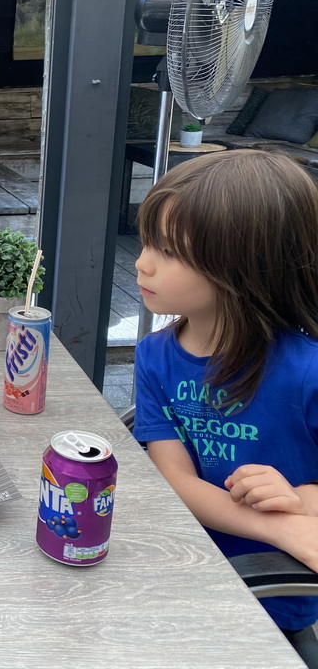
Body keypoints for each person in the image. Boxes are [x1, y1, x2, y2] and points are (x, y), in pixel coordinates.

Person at [132, 149, 318, 657]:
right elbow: (173, 480)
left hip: (273, 598)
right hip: (172, 576)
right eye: (148, 240)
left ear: (243, 265)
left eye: (168, 250)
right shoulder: (154, 357)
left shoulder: (308, 371)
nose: (141, 261)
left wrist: (302, 498)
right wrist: (285, 524)